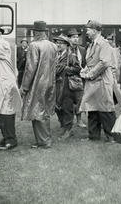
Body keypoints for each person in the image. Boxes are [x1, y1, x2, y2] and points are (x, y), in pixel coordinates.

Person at [20, 21, 58, 149]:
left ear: (35, 32)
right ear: (45, 32)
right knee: (45, 110)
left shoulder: (34, 45)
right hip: (50, 82)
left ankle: (44, 141)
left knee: (37, 111)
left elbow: (30, 68)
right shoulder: (53, 46)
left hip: (38, 83)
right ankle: (45, 138)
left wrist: (25, 86)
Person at [80, 20, 116, 144]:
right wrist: (84, 71)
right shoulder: (91, 45)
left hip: (101, 80)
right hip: (93, 81)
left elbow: (104, 62)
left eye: (88, 29)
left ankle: (112, 137)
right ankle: (94, 136)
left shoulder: (104, 44)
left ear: (94, 31)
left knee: (106, 109)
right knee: (92, 108)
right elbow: (90, 63)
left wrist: (89, 74)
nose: (86, 32)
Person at [54, 34, 82, 139]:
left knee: (67, 107)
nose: (58, 45)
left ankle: (68, 130)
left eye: (61, 43)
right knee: (58, 107)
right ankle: (64, 127)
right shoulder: (56, 55)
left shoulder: (71, 56)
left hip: (67, 86)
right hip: (57, 85)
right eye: (57, 43)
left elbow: (77, 68)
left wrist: (64, 69)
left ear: (67, 45)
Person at [67, 28, 87, 128]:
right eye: (73, 37)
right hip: (68, 78)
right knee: (68, 100)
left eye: (77, 37)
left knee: (79, 99)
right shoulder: (66, 49)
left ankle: (79, 120)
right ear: (69, 39)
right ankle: (68, 122)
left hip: (80, 78)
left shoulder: (82, 50)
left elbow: (85, 62)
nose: (76, 39)